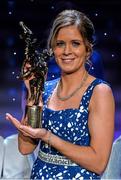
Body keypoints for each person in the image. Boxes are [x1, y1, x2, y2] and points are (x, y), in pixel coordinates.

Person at [6, 9, 115, 179]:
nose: (66, 51)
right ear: (52, 48)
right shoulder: (45, 89)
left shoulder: (99, 92)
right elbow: (25, 148)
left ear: (88, 48)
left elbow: (99, 163)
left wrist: (48, 137)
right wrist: (33, 93)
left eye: (75, 43)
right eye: (60, 44)